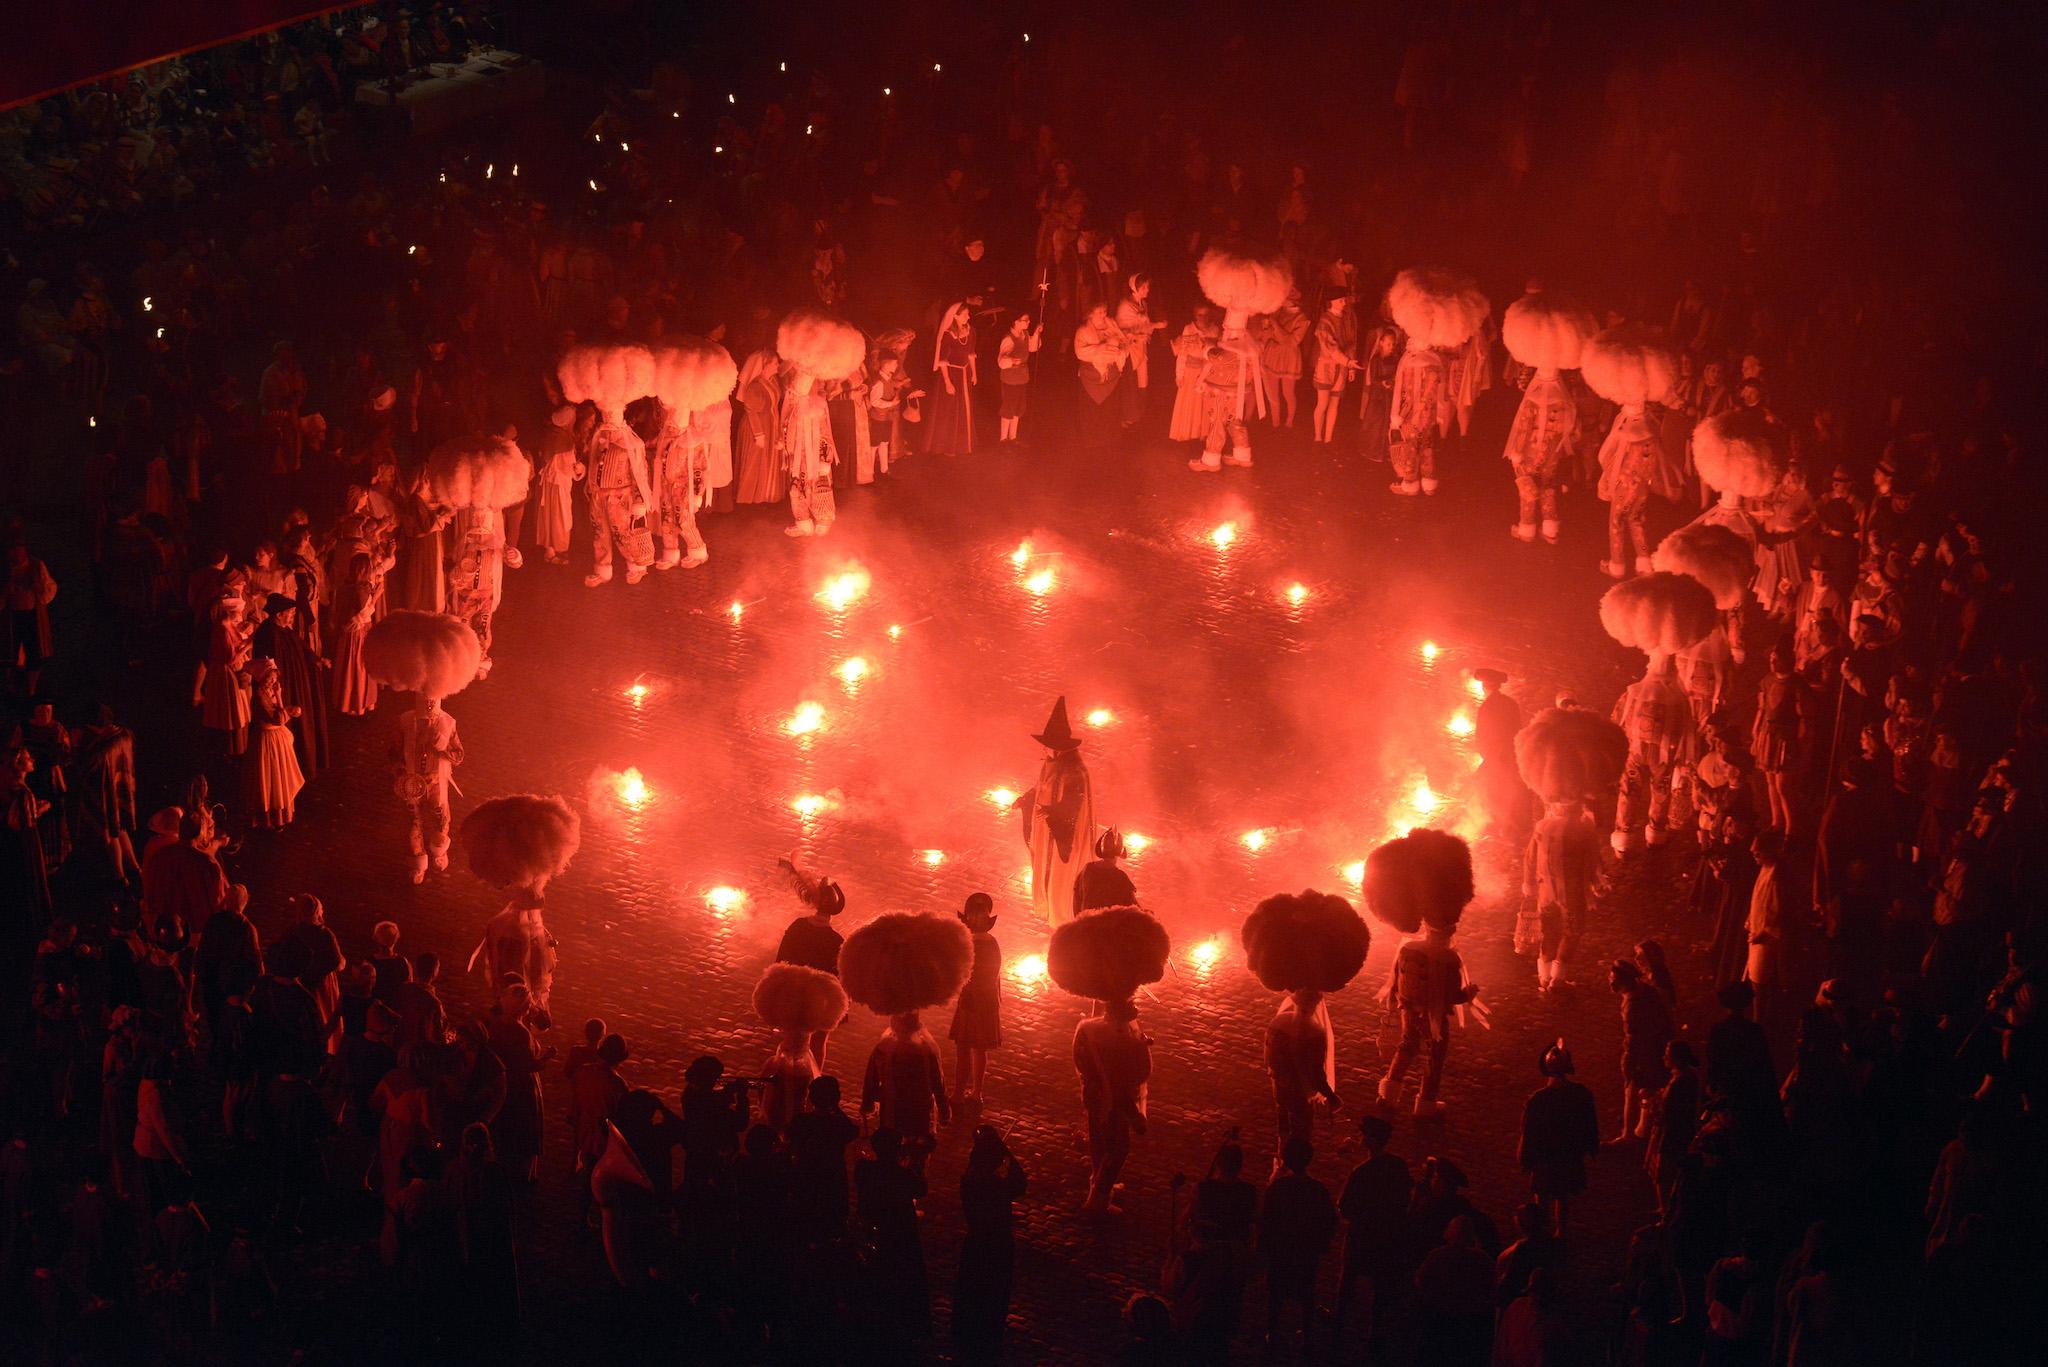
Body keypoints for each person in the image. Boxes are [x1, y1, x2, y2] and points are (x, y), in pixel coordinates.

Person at [1334, 1114, 1412, 1347]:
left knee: (1348, 1278)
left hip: (1362, 1237)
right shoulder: (1398, 1166)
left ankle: (1339, 1321)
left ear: (1370, 1140)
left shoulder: (1362, 1173)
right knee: (1381, 1282)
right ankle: (1375, 1328)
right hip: (1388, 1236)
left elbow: (1345, 1207)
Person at [953, 1125, 1028, 1362]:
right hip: (996, 1241)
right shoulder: (996, 1185)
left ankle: (968, 1328)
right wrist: (1006, 1153)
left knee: (972, 1287)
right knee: (994, 1287)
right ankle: (988, 1330)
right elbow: (1020, 1184)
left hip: (976, 1240)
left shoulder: (970, 1177)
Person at [1259, 1134, 1337, 1355]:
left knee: (1276, 1293)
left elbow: (1267, 1220)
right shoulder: (1317, 1190)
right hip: (1306, 1254)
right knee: (1306, 1292)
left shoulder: (1278, 1188)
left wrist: (1264, 1248)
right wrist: (1321, 1246)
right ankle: (1307, 1335)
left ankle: (1273, 1332)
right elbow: (1329, 1220)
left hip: (1281, 1252)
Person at [1075, 990, 1151, 1214]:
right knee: (1117, 1149)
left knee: (1099, 1143)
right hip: (1113, 1102)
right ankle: (1099, 1197)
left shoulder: (1088, 1029)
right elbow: (1122, 1082)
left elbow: (1082, 1063)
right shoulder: (1120, 1040)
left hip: (1094, 1096)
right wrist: (1135, 1116)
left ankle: (1099, 1185)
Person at [1022, 697, 1096, 926]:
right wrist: (1027, 799)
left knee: (1060, 880)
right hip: (1048, 834)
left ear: (1057, 747)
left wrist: (1053, 813)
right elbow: (1042, 788)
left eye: (1046, 745)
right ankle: (1051, 913)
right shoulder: (1051, 763)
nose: (1043, 749)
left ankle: (1063, 919)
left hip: (1064, 838)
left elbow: (1075, 804)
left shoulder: (1074, 771)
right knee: (1046, 874)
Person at [855, 1127, 931, 1342]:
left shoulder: (864, 1169)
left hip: (872, 1228)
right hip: (899, 1233)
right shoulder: (902, 1175)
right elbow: (921, 1189)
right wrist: (915, 1163)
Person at [1517, 1041, 1599, 1235]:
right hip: (1568, 1155)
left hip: (1544, 1158)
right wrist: (1590, 1146)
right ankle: (1561, 1231)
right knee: (1562, 1194)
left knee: (1542, 1195)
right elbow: (1590, 1124)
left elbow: (1529, 1131)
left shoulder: (1538, 1100)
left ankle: (1541, 1231)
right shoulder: (1581, 1094)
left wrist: (1526, 1157)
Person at [774, 857, 845, 1065]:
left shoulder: (797, 926)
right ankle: (815, 1076)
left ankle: (785, 1068)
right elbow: (837, 978)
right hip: (820, 1000)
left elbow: (781, 960)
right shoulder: (836, 941)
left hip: (793, 992)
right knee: (819, 1042)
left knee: (791, 1038)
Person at [861, 1004, 950, 1169]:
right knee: (917, 1152)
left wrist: (867, 1102)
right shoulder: (925, 1050)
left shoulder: (883, 1048)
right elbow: (938, 1082)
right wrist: (944, 1110)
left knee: (893, 1148)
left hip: (894, 1109)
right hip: (918, 1109)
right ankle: (913, 1181)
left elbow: (871, 1078)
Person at [251, 596, 328, 780]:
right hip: (283, 690)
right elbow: (266, 667)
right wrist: (277, 691)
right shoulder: (267, 634)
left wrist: (317, 659)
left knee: (303, 725)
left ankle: (303, 762)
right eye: (290, 613)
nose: (293, 615)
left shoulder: (287, 631)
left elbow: (302, 648)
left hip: (298, 686)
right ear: (278, 614)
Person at [390, 691, 462, 884]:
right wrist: (401, 775)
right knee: (412, 822)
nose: (429, 703)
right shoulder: (405, 720)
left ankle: (439, 849)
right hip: (411, 783)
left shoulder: (448, 723)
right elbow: (394, 753)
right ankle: (418, 861)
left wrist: (444, 746)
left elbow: (458, 755)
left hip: (436, 782)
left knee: (440, 819)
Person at [583, 401, 654, 587]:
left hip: (620, 498)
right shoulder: (599, 440)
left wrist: (640, 500)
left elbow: (641, 473)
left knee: (624, 534)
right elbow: (593, 464)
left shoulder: (632, 444)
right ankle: (602, 569)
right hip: (599, 496)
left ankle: (637, 566)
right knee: (600, 534)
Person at [1611, 959, 1675, 1142]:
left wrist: (1628, 1062)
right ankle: (1643, 1127)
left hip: (1646, 1053)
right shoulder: (1645, 991)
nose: (1611, 984)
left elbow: (1633, 1039)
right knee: (1649, 1087)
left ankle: (1629, 1134)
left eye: (1614, 980)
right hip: (1657, 1046)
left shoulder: (1633, 1006)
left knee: (1634, 1090)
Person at [950, 893, 1002, 1104]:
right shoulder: (982, 943)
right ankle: (967, 1092)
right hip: (981, 1002)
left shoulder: (976, 944)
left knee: (970, 1048)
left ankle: (971, 1092)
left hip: (977, 1003)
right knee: (970, 1049)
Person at [245, 659, 304, 828]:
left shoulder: (269, 693)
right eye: (269, 678)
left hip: (276, 738)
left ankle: (278, 814)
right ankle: (268, 817)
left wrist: (281, 700)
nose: (272, 682)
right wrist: (287, 708)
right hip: (267, 740)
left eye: (274, 678)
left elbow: (280, 713)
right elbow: (278, 718)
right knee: (269, 776)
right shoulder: (259, 697)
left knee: (279, 775)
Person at [1073, 301, 1131, 449]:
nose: (1103, 315)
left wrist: (1119, 352)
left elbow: (1124, 343)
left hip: (1111, 377)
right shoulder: (1083, 331)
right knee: (1091, 411)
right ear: (1090, 313)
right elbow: (1080, 352)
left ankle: (1109, 439)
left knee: (1109, 410)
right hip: (1090, 377)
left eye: (1104, 311)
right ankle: (1091, 440)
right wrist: (1101, 348)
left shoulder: (1111, 325)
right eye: (1099, 312)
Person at [926, 302, 977, 456]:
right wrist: (948, 382)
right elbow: (942, 361)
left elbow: (971, 354)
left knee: (964, 407)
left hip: (965, 374)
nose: (968, 317)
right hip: (951, 375)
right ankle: (948, 446)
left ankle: (963, 445)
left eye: (968, 314)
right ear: (955, 316)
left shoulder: (971, 331)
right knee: (951, 410)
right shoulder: (948, 335)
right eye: (964, 314)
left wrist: (974, 373)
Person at [1254, 290, 1310, 430]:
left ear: (1292, 300)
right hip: (1273, 355)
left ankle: (1289, 422)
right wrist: (1266, 328)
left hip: (1289, 358)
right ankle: (1275, 423)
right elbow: (1268, 334)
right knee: (1272, 392)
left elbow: (1291, 341)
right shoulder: (1277, 312)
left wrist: (1275, 324)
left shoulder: (1302, 319)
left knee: (1288, 393)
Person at [1310, 293, 1358, 444]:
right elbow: (1330, 347)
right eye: (1341, 300)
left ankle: (1328, 439)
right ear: (1332, 302)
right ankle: (1318, 437)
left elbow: (1351, 343)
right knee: (1322, 404)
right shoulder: (1325, 321)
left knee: (1334, 404)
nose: (1344, 303)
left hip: (1342, 369)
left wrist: (1351, 367)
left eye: (1344, 300)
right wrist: (1348, 362)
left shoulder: (1346, 320)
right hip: (1326, 367)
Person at [1170, 307, 1222, 443]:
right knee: (1189, 402)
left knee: (1204, 404)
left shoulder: (1214, 330)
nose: (1202, 318)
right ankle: (1187, 433)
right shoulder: (1189, 329)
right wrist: (1179, 375)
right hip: (1189, 372)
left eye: (1205, 314)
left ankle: (1203, 433)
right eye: (1199, 315)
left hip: (1206, 372)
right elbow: (1182, 353)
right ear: (1195, 315)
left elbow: (1216, 354)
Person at [996, 313, 1041, 443]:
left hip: (1022, 377)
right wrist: (1011, 361)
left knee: (1019, 407)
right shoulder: (1008, 339)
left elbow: (1032, 348)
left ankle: (1013, 437)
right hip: (1010, 378)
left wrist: (1037, 333)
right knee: (1008, 407)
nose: (1028, 322)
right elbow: (1001, 360)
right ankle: (1003, 439)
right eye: (1025, 320)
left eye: (1028, 320)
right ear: (1015, 322)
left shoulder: (1025, 335)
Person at [1074, 827, 1139, 911]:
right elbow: (1132, 906)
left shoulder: (1087, 869)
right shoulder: (1120, 877)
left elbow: (1076, 898)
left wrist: (1080, 920)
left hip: (1086, 921)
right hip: (1108, 923)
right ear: (1118, 854)